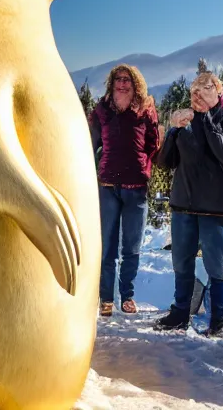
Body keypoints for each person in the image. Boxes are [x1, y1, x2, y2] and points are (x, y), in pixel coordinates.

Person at [154, 72, 223, 336]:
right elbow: (165, 162)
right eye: (194, 88)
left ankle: (218, 319)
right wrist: (173, 132)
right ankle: (180, 313)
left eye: (206, 87)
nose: (198, 93)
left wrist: (205, 117)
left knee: (216, 264)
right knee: (181, 262)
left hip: (214, 206)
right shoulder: (186, 121)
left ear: (219, 91)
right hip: (183, 202)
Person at [90, 64, 160, 316]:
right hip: (107, 185)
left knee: (131, 246)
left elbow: (153, 144)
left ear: (136, 84)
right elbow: (91, 143)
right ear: (111, 83)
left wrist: (141, 165)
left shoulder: (145, 110)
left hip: (136, 187)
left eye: (127, 80)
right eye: (118, 79)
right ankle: (105, 298)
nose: (122, 83)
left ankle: (127, 296)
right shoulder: (102, 110)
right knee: (107, 245)